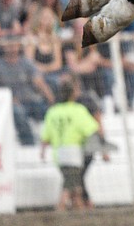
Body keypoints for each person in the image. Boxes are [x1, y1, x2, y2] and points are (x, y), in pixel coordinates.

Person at [39, 77, 99, 211]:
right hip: (73, 151)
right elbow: (91, 129)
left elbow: (45, 137)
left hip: (58, 152)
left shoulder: (53, 111)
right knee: (70, 183)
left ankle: (79, 207)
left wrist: (42, 152)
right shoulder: (78, 110)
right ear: (73, 94)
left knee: (74, 181)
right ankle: (61, 205)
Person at [0, 38, 53, 146]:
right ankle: (30, 145)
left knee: (50, 112)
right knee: (19, 113)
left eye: (14, 45)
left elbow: (38, 81)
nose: (11, 48)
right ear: (4, 48)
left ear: (18, 47)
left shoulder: (26, 63)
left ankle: (51, 142)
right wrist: (4, 98)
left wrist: (50, 98)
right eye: (9, 46)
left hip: (31, 100)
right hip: (12, 103)